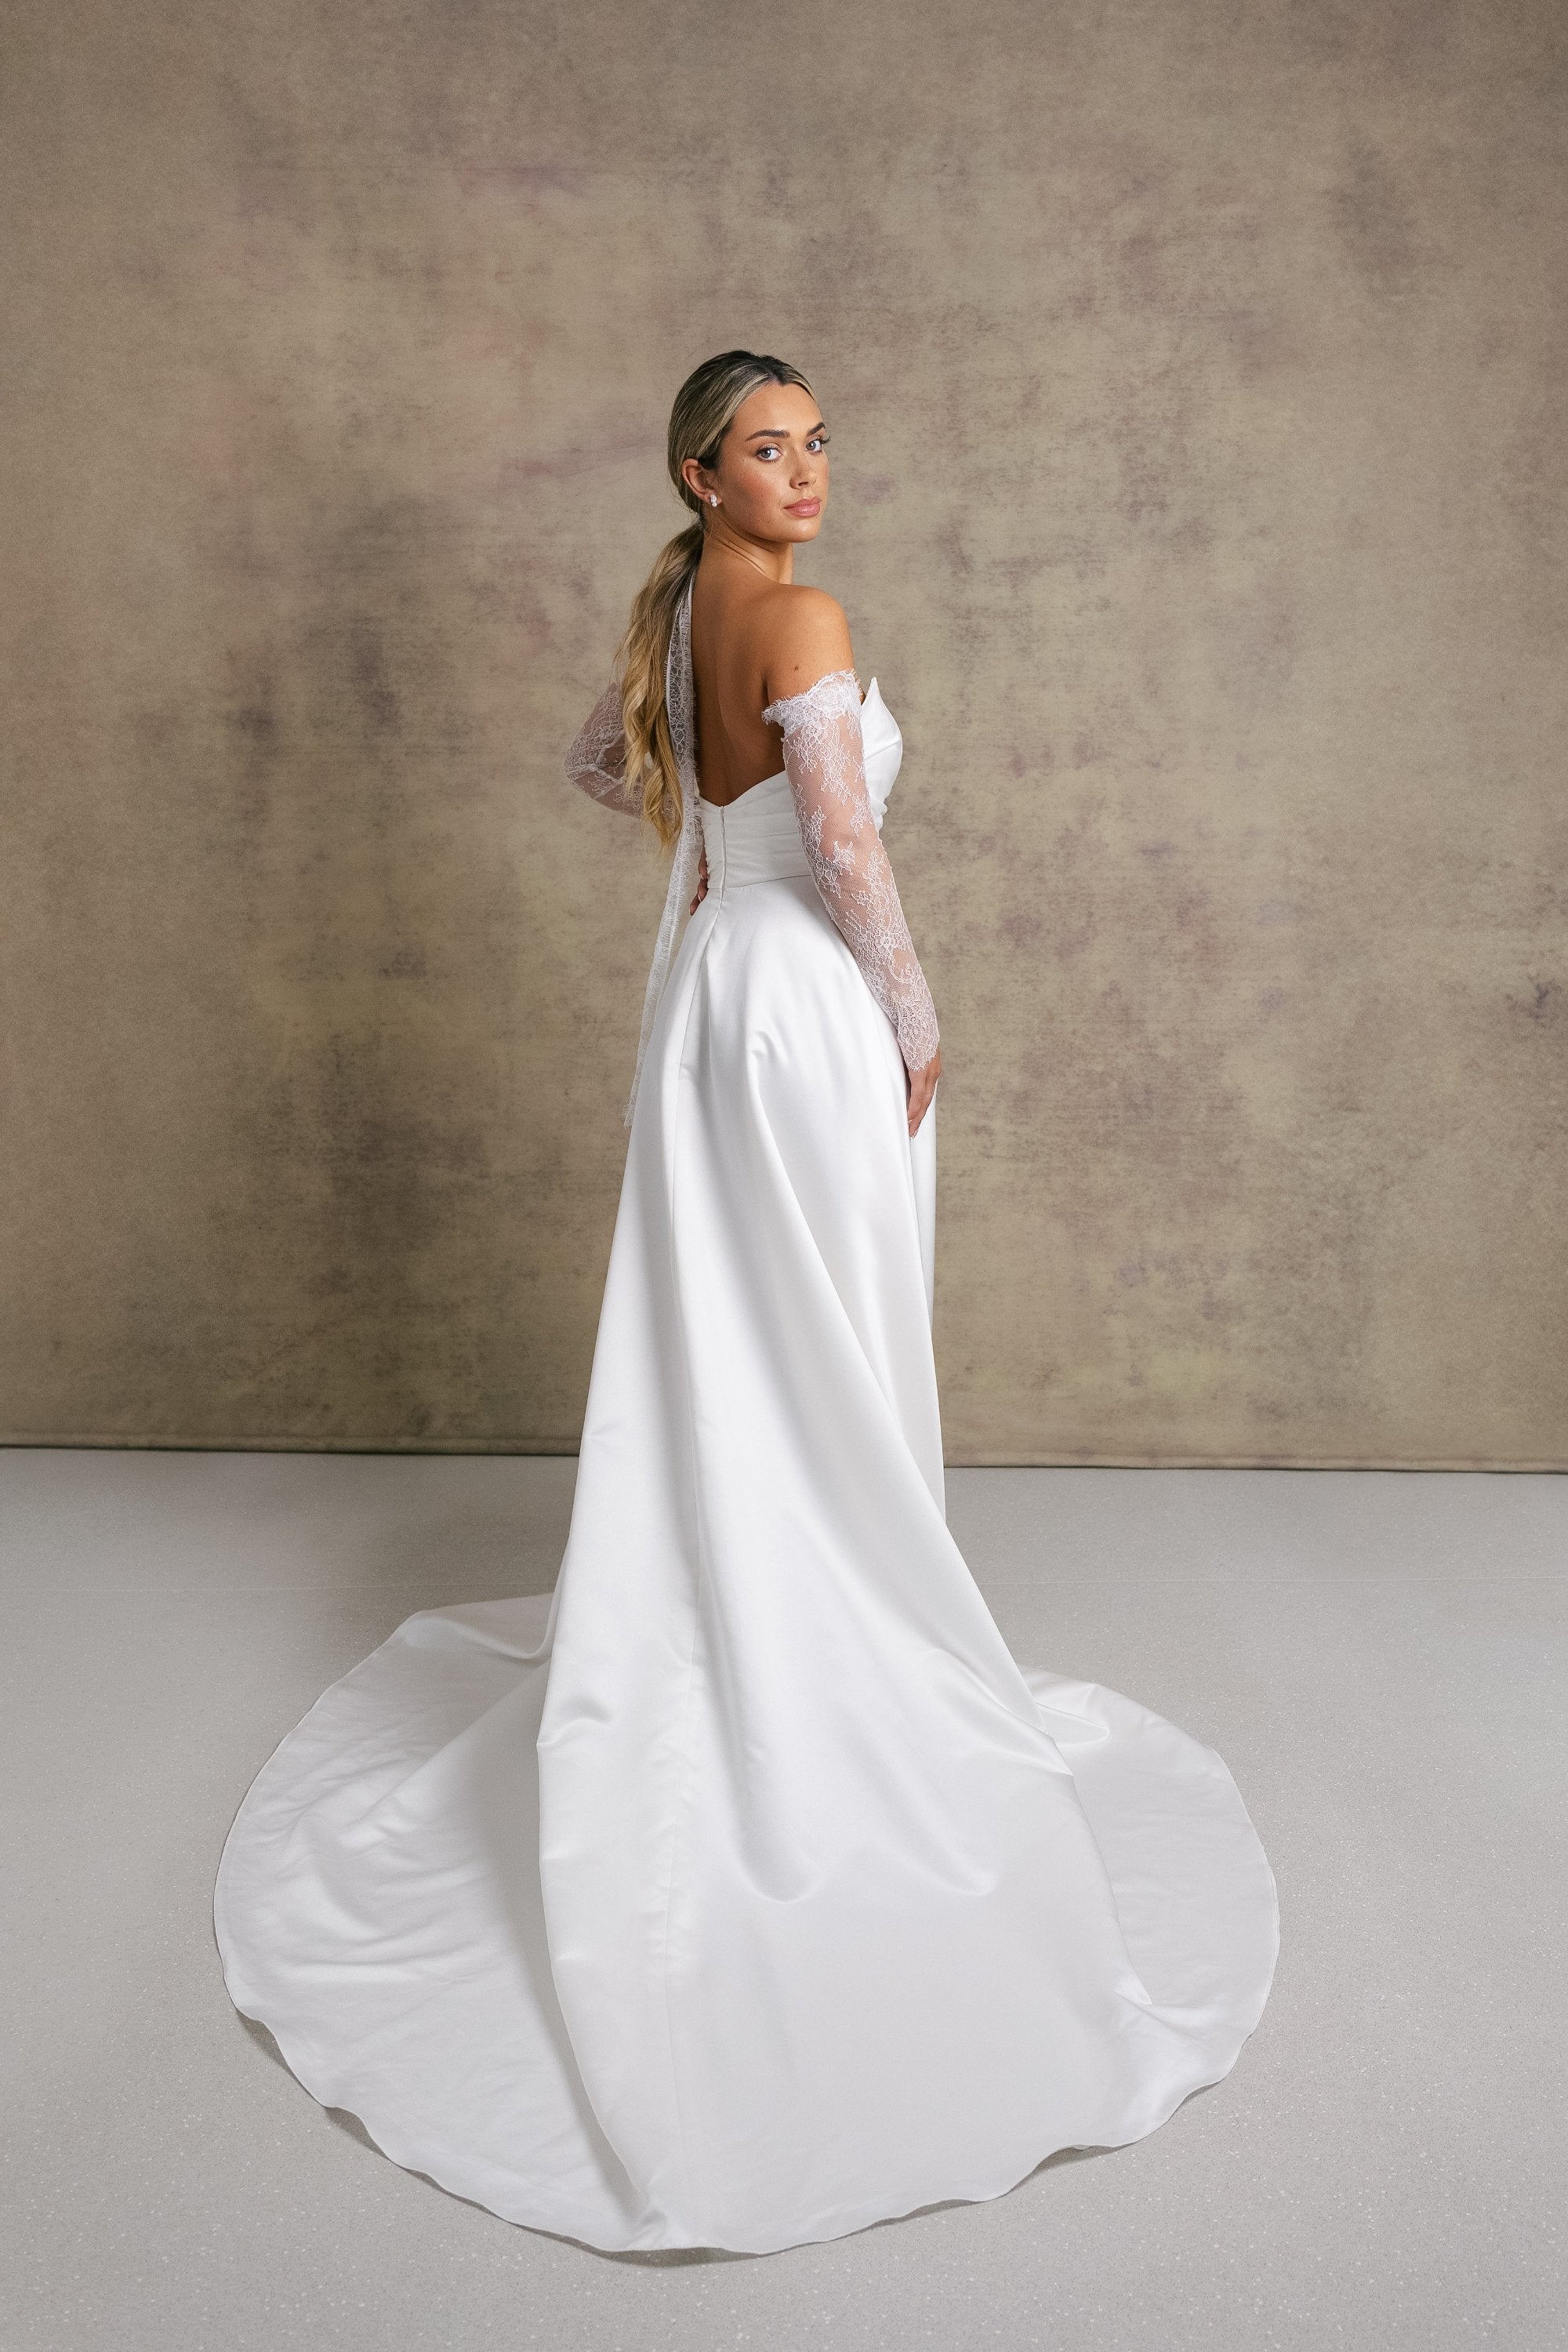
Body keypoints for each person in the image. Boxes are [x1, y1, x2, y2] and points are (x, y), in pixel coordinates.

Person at [216, 350, 1279, 2256]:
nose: (806, 475)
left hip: (710, 988)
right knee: (823, 1346)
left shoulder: (680, 605)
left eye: (817, 445)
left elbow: (614, 765)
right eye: (769, 450)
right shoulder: (795, 608)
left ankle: (745, 1615)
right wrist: (917, 1022)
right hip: (798, 1006)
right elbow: (848, 842)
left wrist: (717, 876)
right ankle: (826, 1653)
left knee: (738, 1340)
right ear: (701, 472)